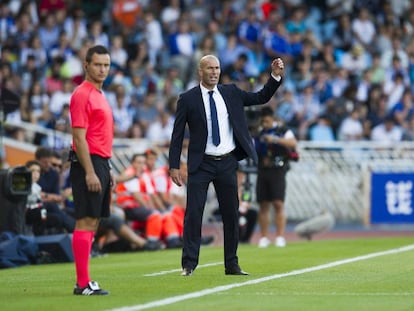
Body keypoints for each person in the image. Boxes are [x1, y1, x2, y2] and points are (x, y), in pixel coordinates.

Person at [168, 54, 284, 276]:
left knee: (231, 214)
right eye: (209, 68)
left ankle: (231, 264)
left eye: (217, 68)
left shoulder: (231, 92)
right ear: (200, 72)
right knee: (194, 213)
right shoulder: (187, 98)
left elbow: (260, 97)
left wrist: (274, 78)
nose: (214, 72)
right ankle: (189, 264)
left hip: (227, 162)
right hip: (201, 164)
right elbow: (177, 134)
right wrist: (174, 165)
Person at [69, 45, 113, 296]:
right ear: (86, 65)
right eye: (98, 64)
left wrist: (107, 168)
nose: (102, 69)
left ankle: (85, 280)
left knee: (93, 221)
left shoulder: (99, 94)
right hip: (88, 163)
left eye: (106, 65)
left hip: (100, 162)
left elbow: (100, 135)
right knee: (85, 219)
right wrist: (89, 171)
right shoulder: (82, 94)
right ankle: (82, 283)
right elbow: (79, 137)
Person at [254, 107, 298, 248]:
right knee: (263, 204)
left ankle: (279, 236)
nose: (265, 123)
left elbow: (293, 143)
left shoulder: (282, 131)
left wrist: (274, 139)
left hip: (278, 169)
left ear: (272, 119)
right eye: (263, 121)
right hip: (262, 169)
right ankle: (264, 237)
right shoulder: (258, 133)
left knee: (278, 203)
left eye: (267, 121)